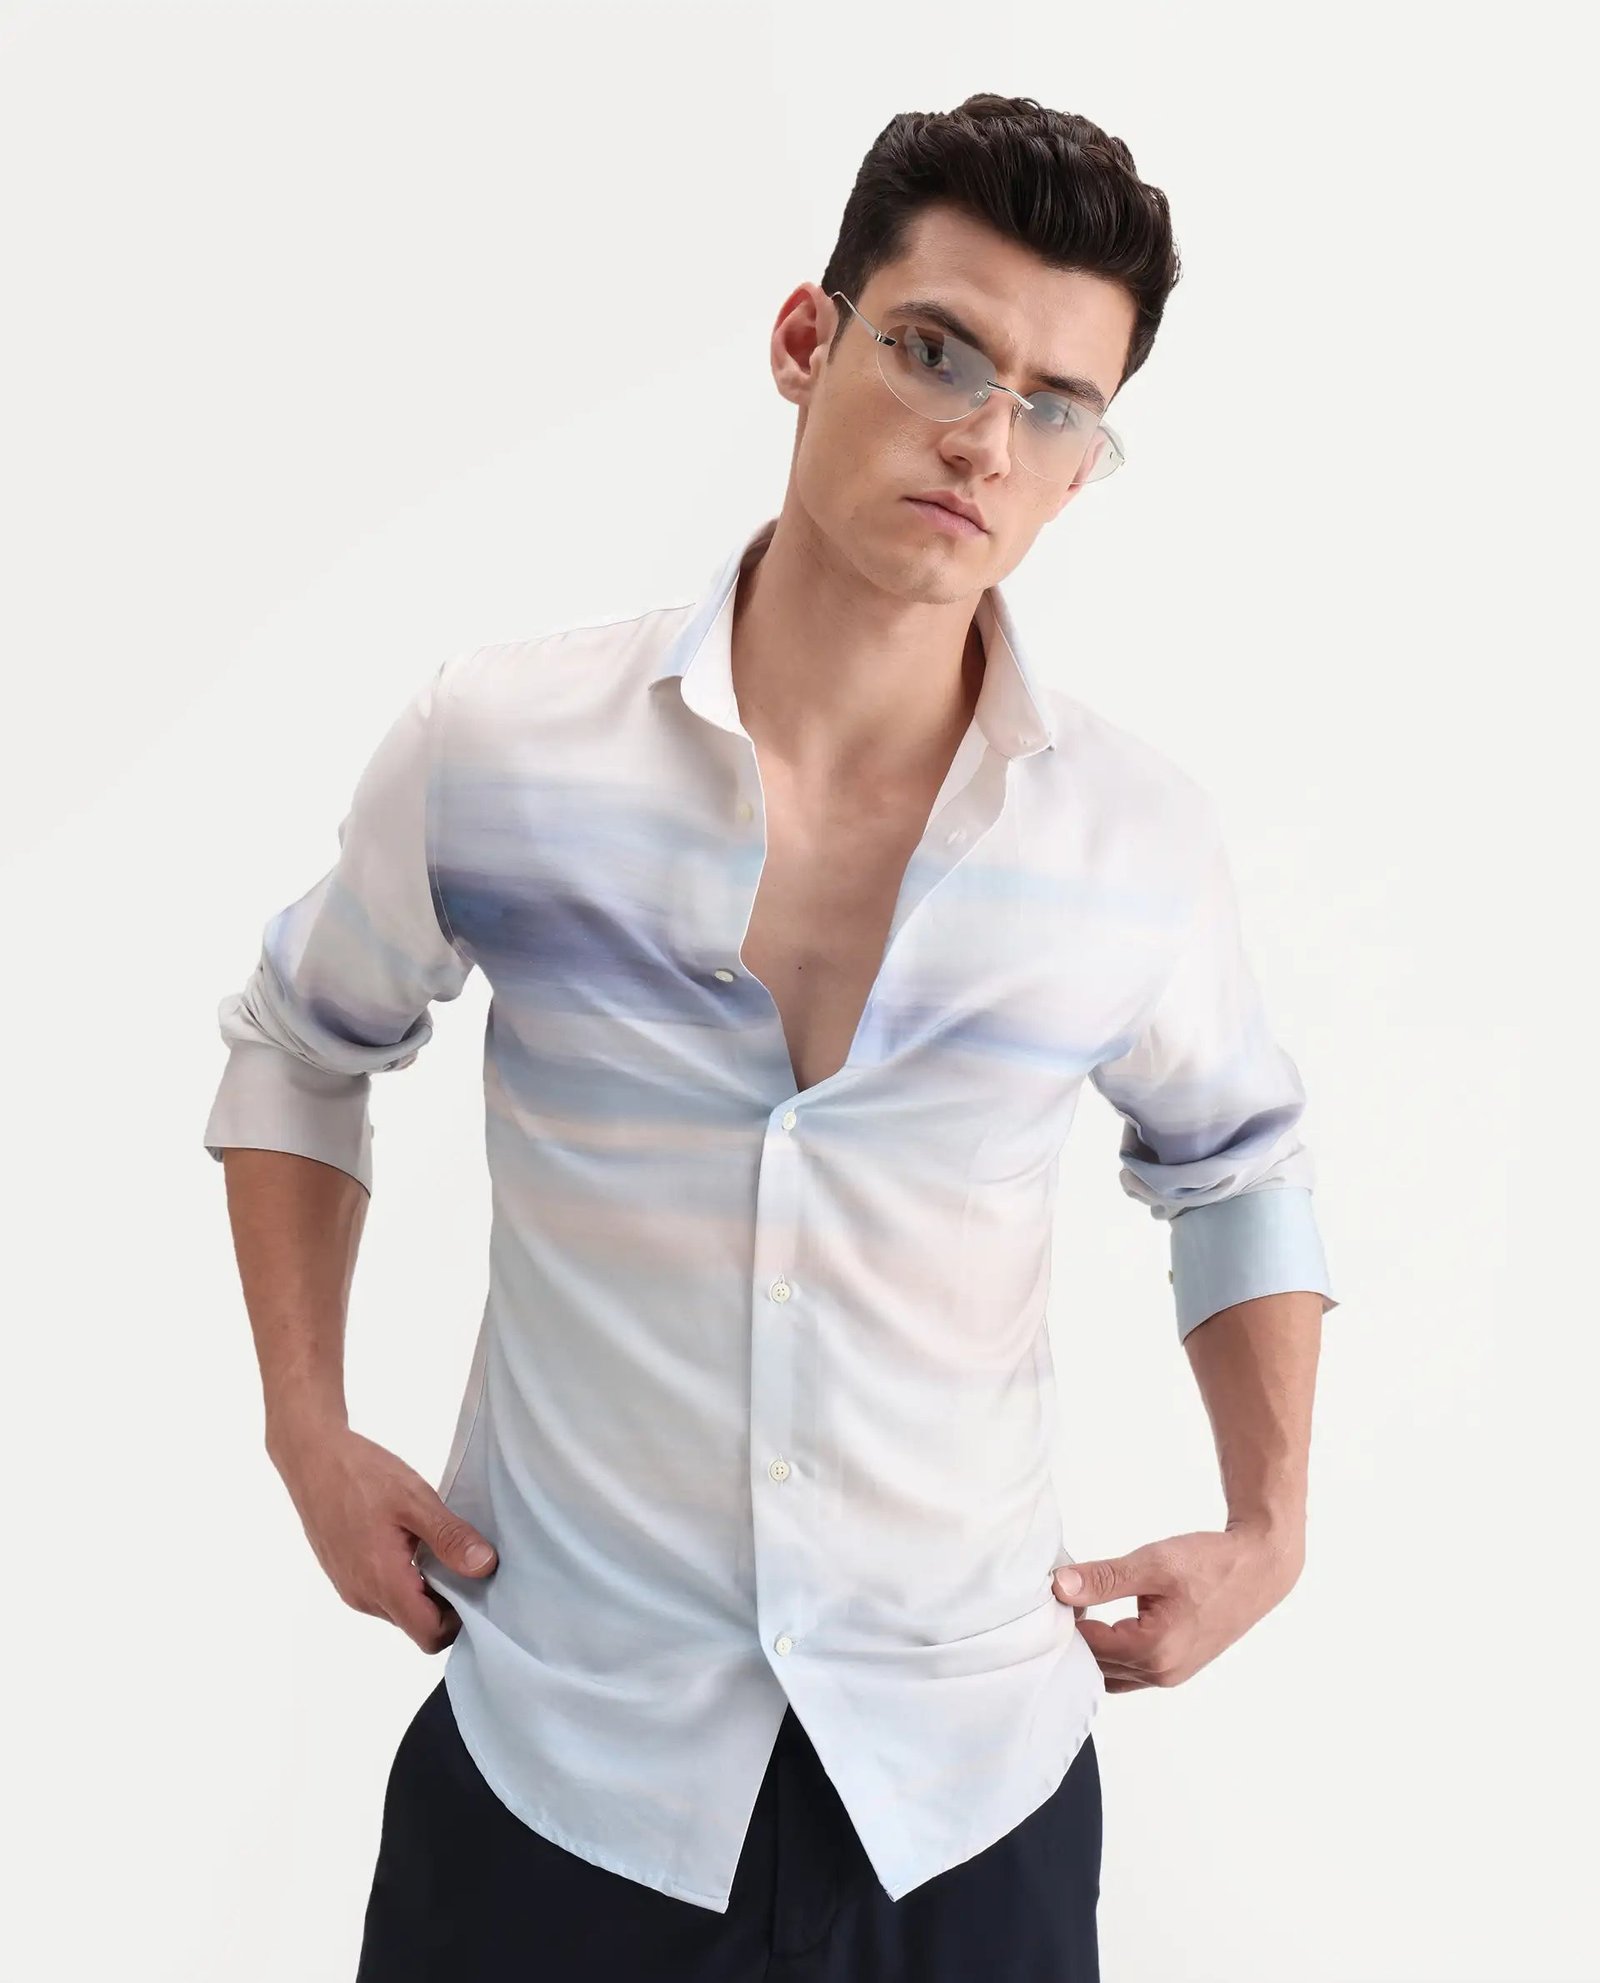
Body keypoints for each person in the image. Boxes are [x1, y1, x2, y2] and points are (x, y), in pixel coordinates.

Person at [204, 92, 1337, 1982]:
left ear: (1084, 468)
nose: (985, 436)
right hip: (561, 1774)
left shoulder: (1132, 841)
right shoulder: (502, 749)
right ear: (809, 340)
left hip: (964, 1798)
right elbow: (299, 1045)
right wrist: (304, 1431)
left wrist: (1271, 1524)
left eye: (1058, 405)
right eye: (937, 351)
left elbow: (1240, 1162)